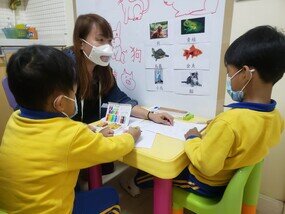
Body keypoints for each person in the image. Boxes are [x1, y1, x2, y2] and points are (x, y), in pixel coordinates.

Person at [124, 25, 285, 198]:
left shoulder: (229, 122)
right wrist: (214, 129)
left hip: (204, 182)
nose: (229, 79)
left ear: (245, 73)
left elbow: (205, 165)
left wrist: (192, 138)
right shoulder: (275, 117)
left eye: (230, 73)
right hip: (228, 177)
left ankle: (132, 183)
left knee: (156, 171)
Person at [0, 45, 141, 213]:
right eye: (74, 93)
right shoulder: (72, 135)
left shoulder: (15, 120)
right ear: (60, 103)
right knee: (109, 194)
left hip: (11, 208)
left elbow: (56, 134)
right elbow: (113, 149)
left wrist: (88, 130)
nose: (76, 97)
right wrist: (131, 136)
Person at [64, 13, 174, 174]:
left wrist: (151, 114)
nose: (107, 46)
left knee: (106, 168)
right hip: (69, 135)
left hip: (92, 128)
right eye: (100, 40)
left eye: (109, 41)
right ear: (81, 43)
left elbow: (120, 99)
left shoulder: (103, 68)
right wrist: (86, 133)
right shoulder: (65, 68)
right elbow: (55, 116)